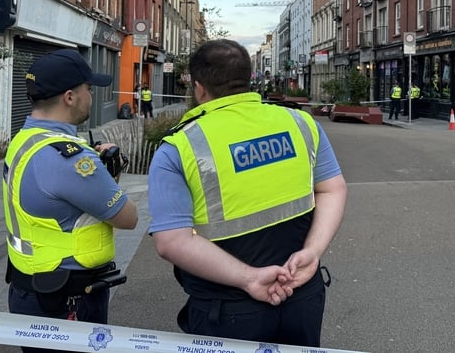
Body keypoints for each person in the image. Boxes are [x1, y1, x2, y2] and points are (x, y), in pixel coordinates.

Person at [147, 39, 347, 347]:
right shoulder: (299, 122)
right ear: (249, 78)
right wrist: (312, 252)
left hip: (227, 308)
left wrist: (250, 278)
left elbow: (171, 242)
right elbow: (332, 189)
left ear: (199, 88)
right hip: (302, 294)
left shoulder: (180, 147)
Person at [4, 49, 138, 353]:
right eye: (89, 89)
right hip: (67, 300)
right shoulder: (73, 161)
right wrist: (108, 176)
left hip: (29, 288)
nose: (91, 95)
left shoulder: (24, 139)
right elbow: (128, 217)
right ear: (70, 97)